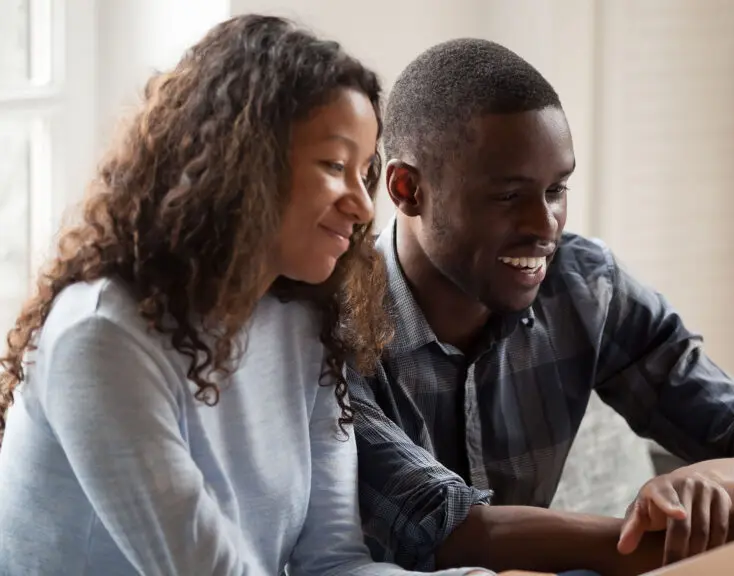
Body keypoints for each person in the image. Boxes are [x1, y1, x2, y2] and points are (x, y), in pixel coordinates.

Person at [348, 38, 734, 576]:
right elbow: (456, 536)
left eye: (556, 190)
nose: (544, 227)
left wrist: (708, 483)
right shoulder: (337, 331)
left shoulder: (583, 286)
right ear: (407, 188)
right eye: (509, 196)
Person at [0, 15, 489, 576]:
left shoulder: (303, 322)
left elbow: (331, 563)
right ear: (245, 161)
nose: (361, 206)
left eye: (365, 172)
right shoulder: (100, 337)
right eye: (335, 166)